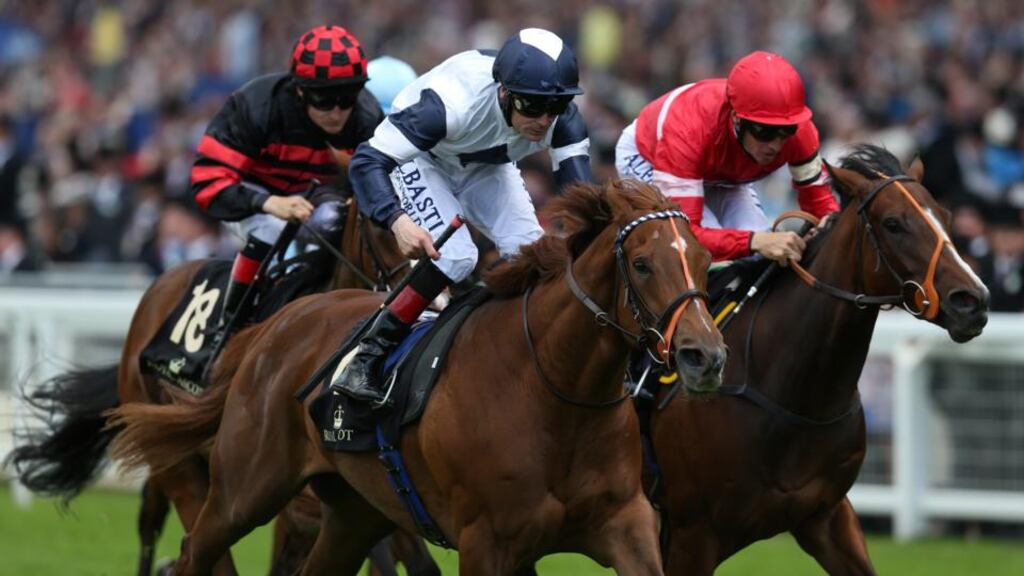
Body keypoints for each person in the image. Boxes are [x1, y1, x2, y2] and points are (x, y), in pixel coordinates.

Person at [335, 27, 592, 406]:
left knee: (535, 255)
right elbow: (367, 161)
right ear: (503, 91)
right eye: (533, 107)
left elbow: (583, 204)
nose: (544, 120)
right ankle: (367, 355)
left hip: (487, 163)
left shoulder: (561, 119)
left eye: (555, 107)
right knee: (457, 256)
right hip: (423, 158)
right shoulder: (450, 105)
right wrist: (397, 220)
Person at [190, 25, 384, 330]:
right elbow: (207, 183)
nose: (336, 112)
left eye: (346, 98)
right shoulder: (255, 107)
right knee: (270, 229)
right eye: (323, 100)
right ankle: (231, 327)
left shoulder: (367, 117)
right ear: (300, 90)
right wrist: (268, 202)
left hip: (318, 198)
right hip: (253, 197)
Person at [615, 51, 839, 264]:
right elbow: (684, 234)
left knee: (762, 257)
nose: (775, 145)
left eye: (786, 132)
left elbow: (821, 207)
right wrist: (753, 241)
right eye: (765, 131)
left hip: (719, 172)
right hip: (649, 156)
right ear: (737, 119)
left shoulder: (802, 133)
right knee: (700, 258)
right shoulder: (690, 131)